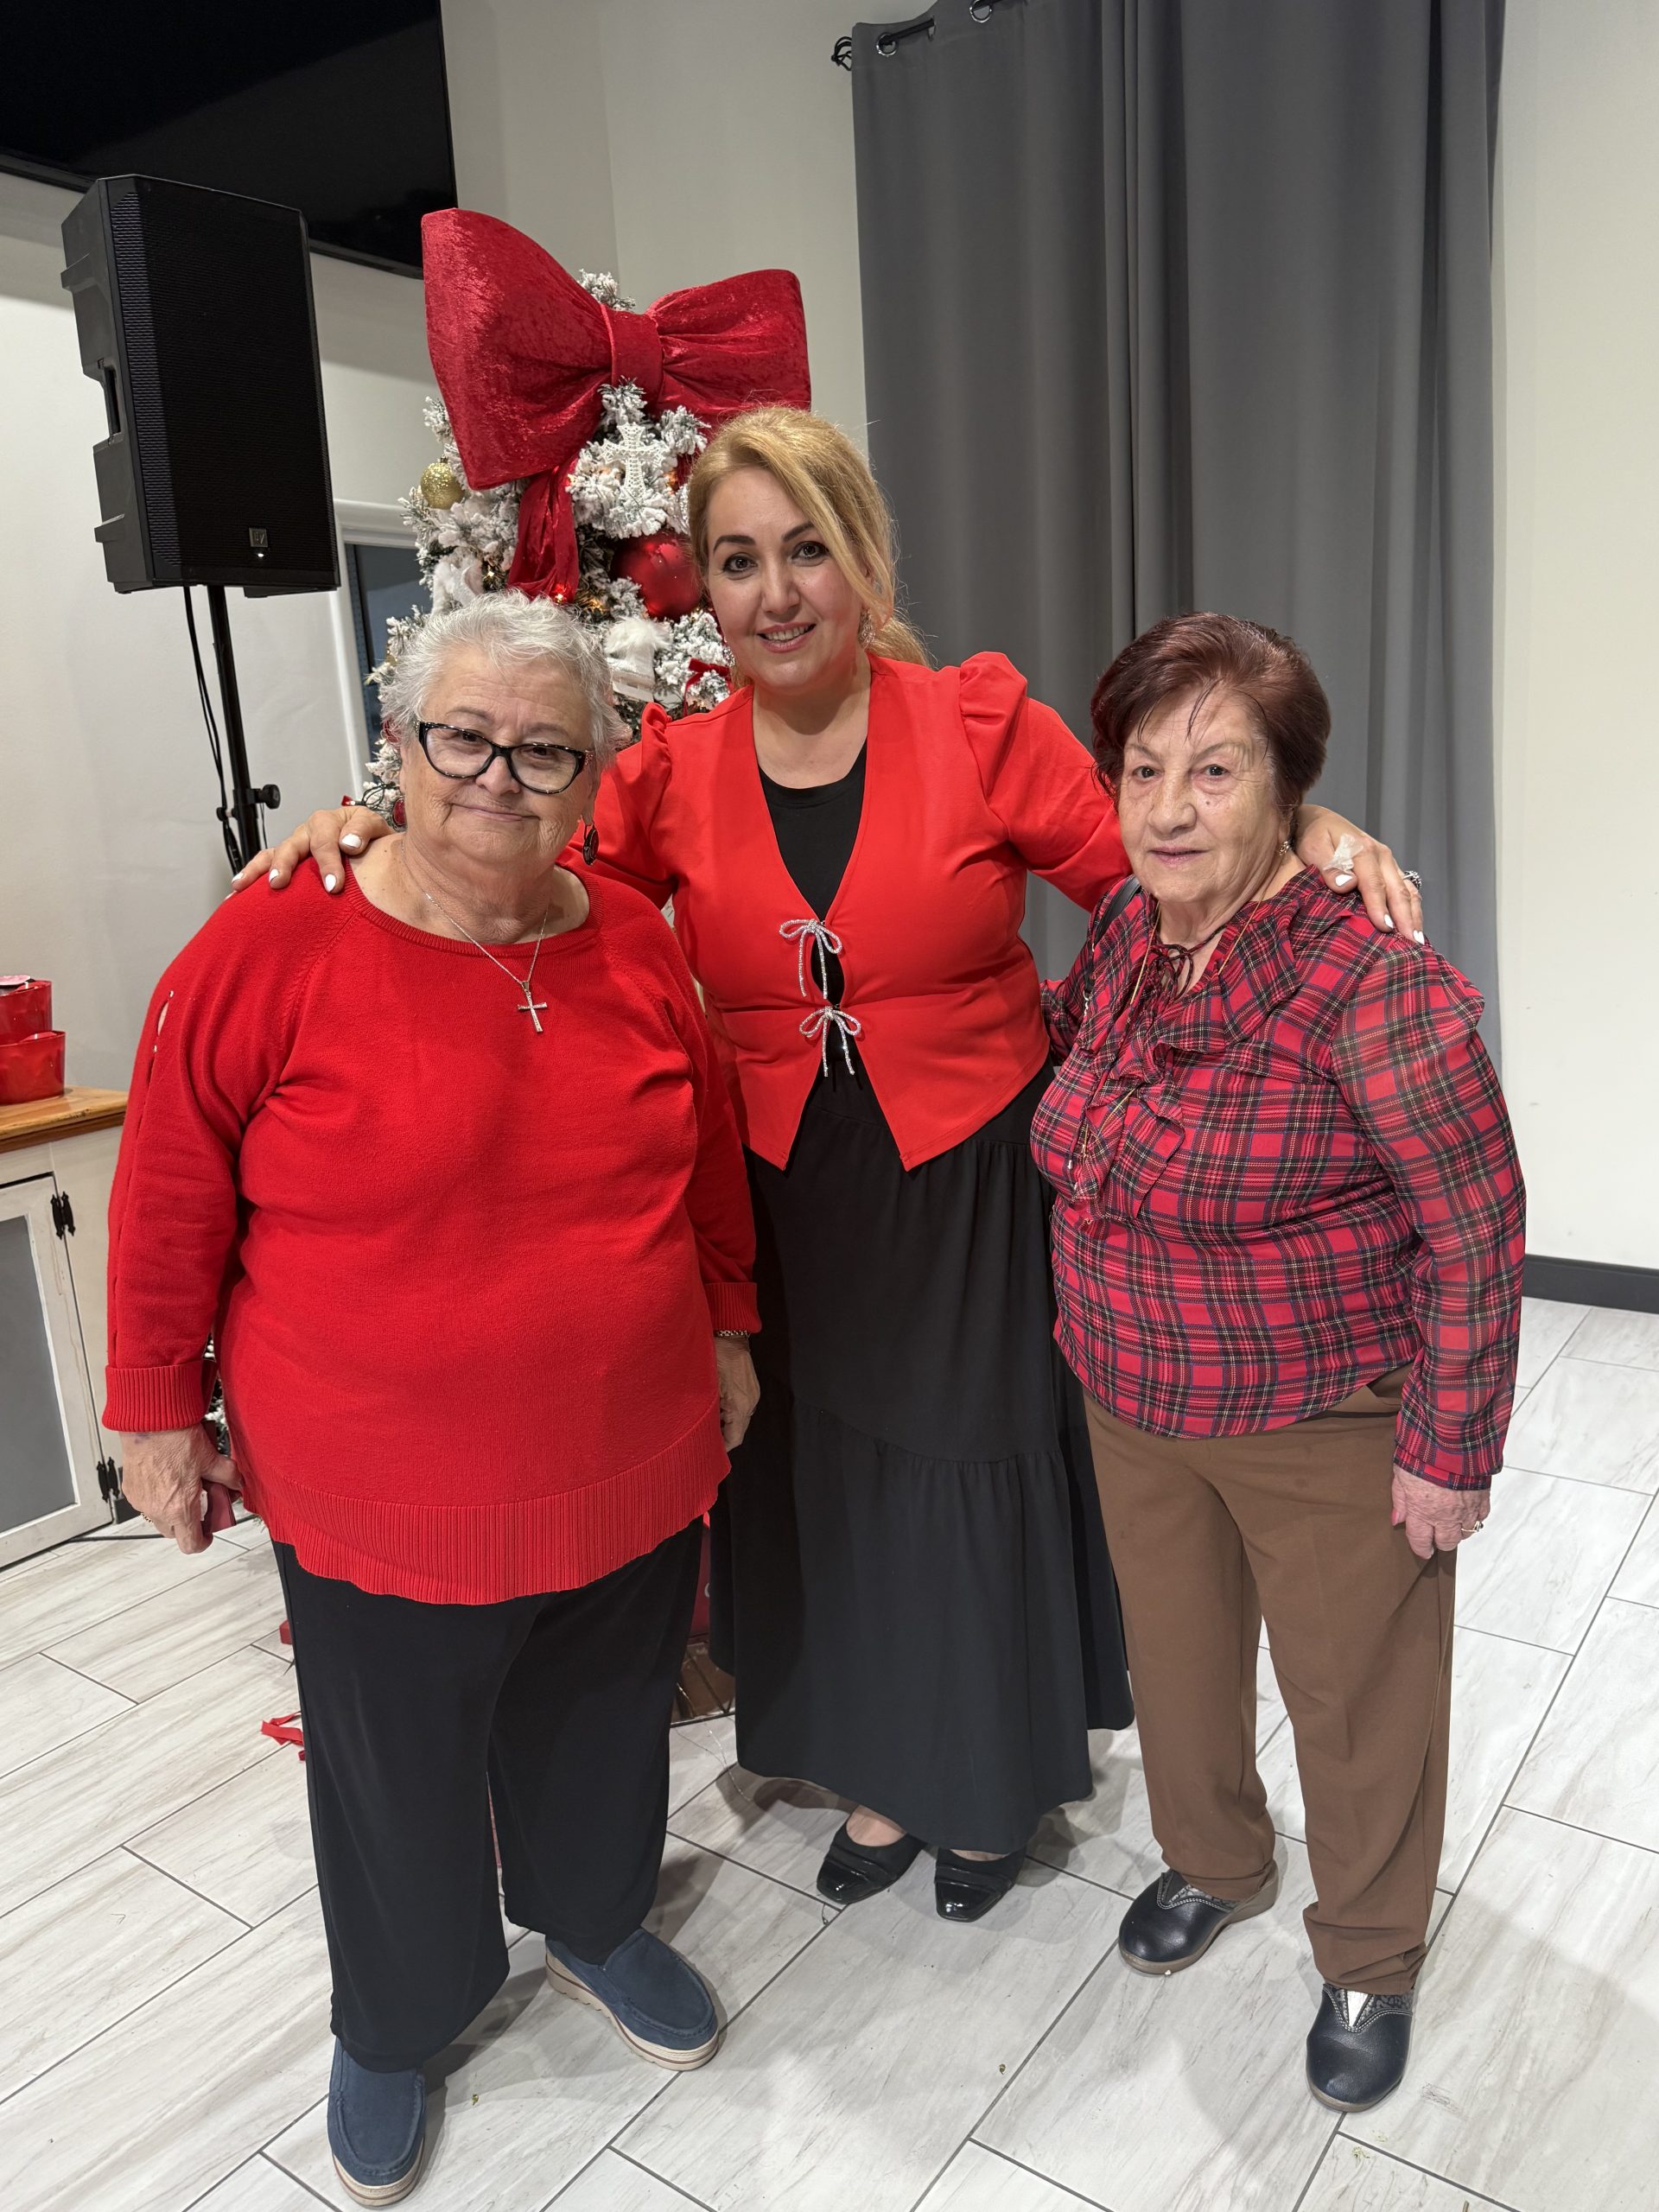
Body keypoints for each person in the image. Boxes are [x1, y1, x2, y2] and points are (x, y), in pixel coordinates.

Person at [242, 407, 1421, 1925]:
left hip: (968, 1176)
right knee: (826, 1482)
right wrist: (372, 828)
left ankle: (983, 1780)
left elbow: (1160, 861)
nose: (776, 591)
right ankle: (877, 1768)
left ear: (862, 558)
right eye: (738, 561)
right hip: (779, 1185)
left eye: (807, 550)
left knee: (964, 1471)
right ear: (708, 586)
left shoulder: (979, 721)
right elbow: (513, 868)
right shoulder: (669, 769)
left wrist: (1307, 822)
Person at [106, 594, 761, 2206]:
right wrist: (152, 1409)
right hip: (378, 1487)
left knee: (602, 1724)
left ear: (594, 774)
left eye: (545, 750)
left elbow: (708, 1163)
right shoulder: (275, 941)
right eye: (460, 737)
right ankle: (397, 2018)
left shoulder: (635, 939)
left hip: (625, 1452)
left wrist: (731, 1330)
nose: (497, 779)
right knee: (393, 1772)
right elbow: (169, 1184)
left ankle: (596, 1923)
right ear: (395, 745)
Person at [1034, 612, 1523, 2113]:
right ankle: (1215, 1861)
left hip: (1320, 1417)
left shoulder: (1374, 986)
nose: (1170, 808)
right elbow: (1066, 1070)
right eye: (1144, 770)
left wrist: (1448, 1451)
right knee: (1178, 1664)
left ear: (1288, 789)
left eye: (1216, 770)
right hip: (1133, 1391)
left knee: (1357, 1702)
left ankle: (1370, 1952)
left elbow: (1478, 1229)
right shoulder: (1127, 934)